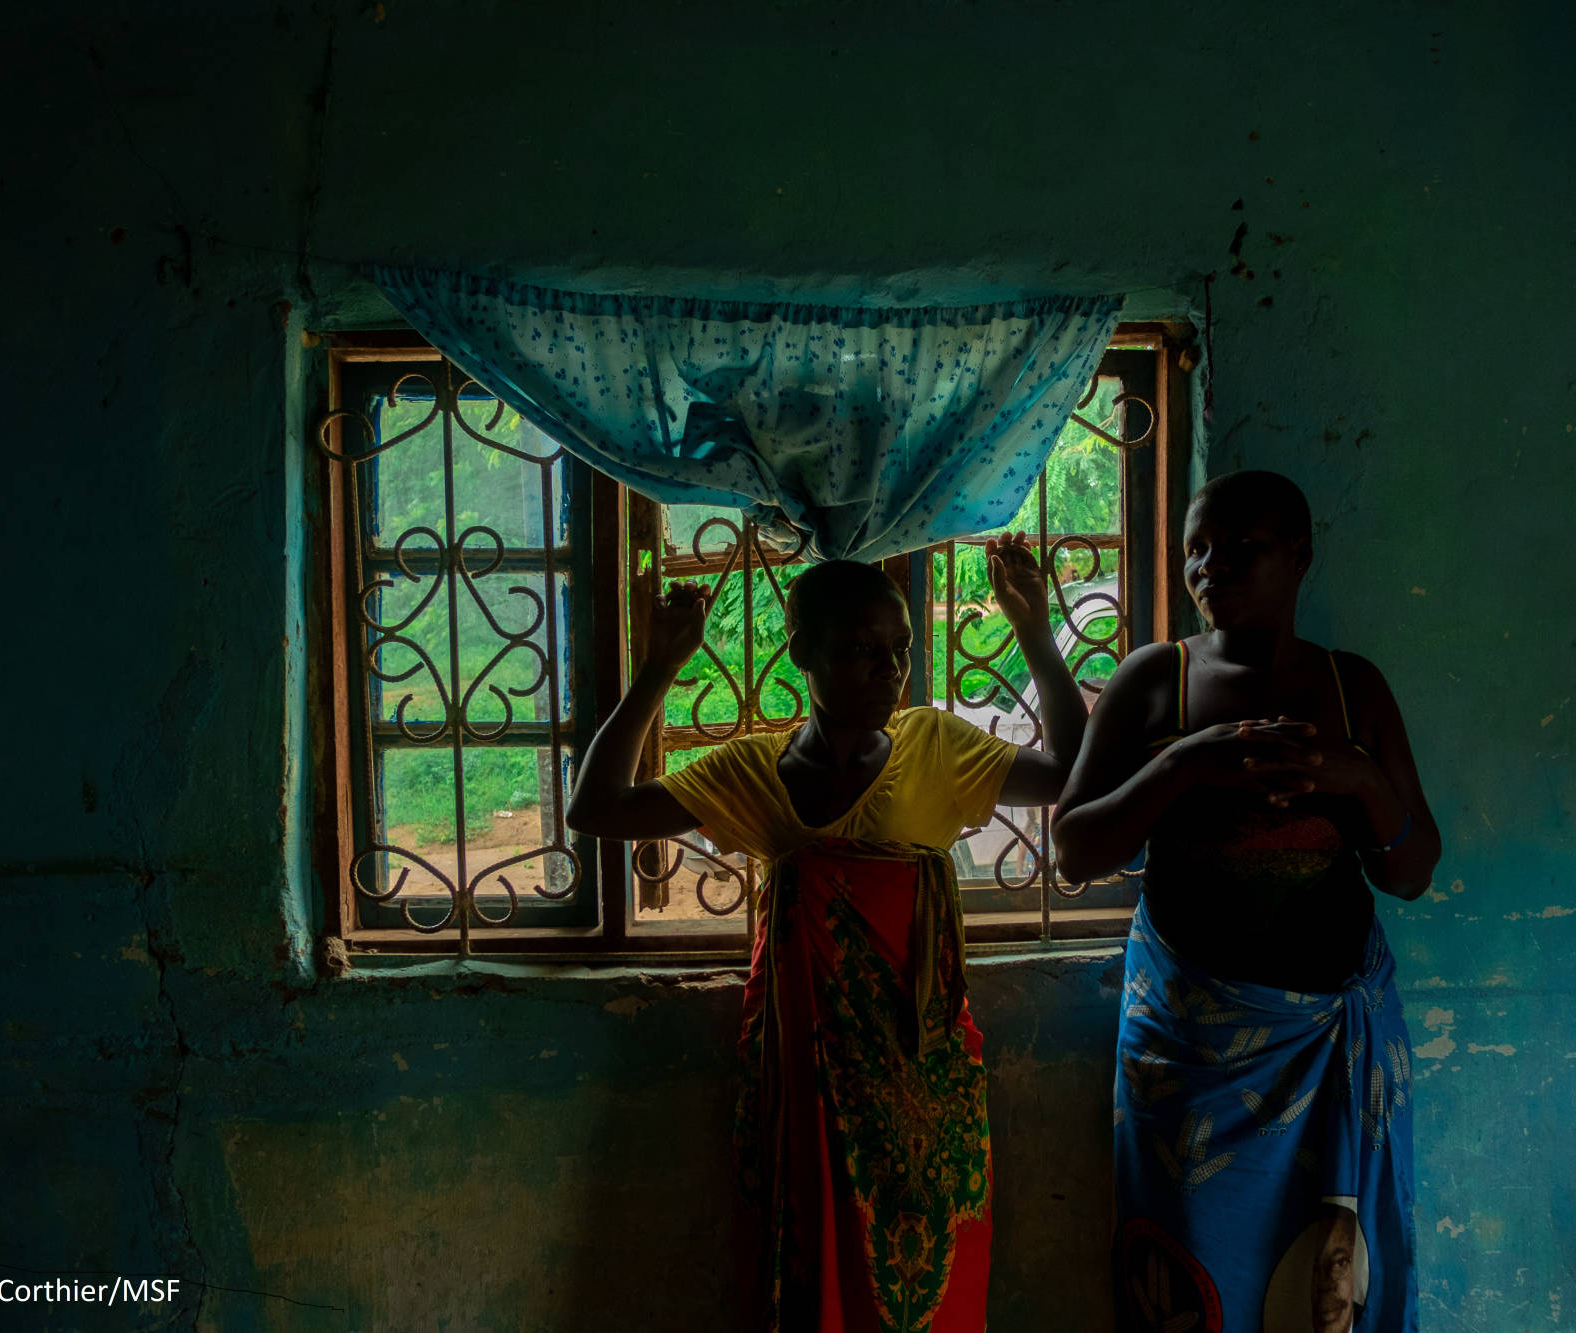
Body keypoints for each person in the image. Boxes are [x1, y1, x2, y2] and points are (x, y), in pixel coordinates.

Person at [567, 535, 1086, 1333]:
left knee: (929, 1276)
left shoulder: (936, 746)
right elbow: (596, 808)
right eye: (859, 650)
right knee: (814, 1273)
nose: (890, 669)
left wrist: (1037, 636)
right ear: (802, 652)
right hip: (809, 1076)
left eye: (900, 649)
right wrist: (657, 669)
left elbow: (1070, 772)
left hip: (923, 1073)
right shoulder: (750, 771)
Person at [1053, 470, 1441, 1333]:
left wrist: (1357, 780)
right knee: (1192, 1270)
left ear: (1299, 555)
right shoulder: (1154, 681)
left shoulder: (1353, 690)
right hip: (1194, 1060)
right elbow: (1075, 846)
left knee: (1332, 1275)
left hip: (1333, 1043)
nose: (1209, 566)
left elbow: (1413, 869)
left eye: (1241, 548)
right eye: (1195, 548)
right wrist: (1182, 765)